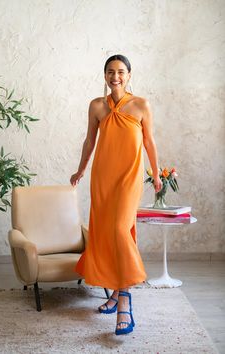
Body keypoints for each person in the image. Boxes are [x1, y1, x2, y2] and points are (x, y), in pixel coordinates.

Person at [70, 54, 162, 335]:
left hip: (129, 178)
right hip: (102, 178)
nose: (115, 76)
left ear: (129, 75)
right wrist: (80, 170)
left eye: (121, 71)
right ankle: (114, 294)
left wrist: (156, 174)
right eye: (110, 71)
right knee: (109, 232)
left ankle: (124, 299)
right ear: (105, 75)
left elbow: (149, 141)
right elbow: (89, 141)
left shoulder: (141, 105)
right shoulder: (97, 106)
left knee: (120, 230)